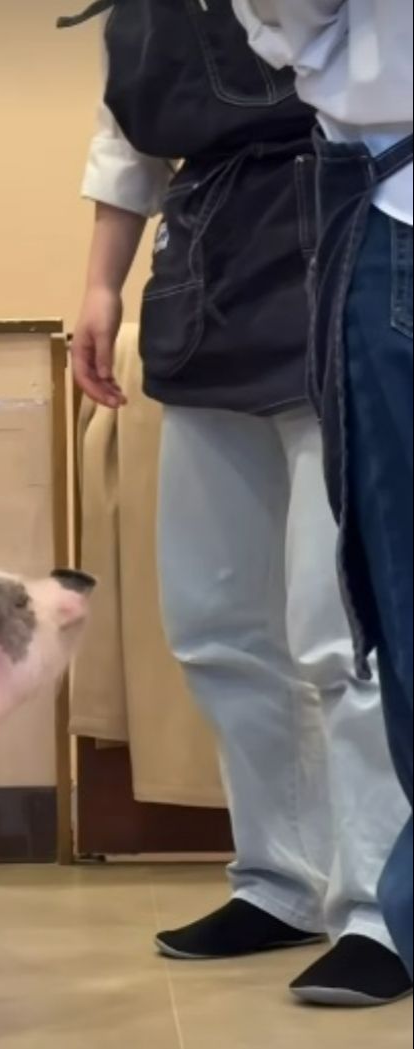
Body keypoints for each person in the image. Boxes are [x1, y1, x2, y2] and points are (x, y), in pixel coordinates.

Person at [63, 0, 412, 1006]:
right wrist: (100, 282)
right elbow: (125, 130)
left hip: (342, 249)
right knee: (215, 622)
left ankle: (381, 908)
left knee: (342, 630)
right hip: (206, 286)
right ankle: (280, 876)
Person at [232, 0, 413, 982]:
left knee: (381, 625)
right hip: (377, 199)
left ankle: (376, 913)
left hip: (390, 197)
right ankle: (317, 887)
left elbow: (288, 32)